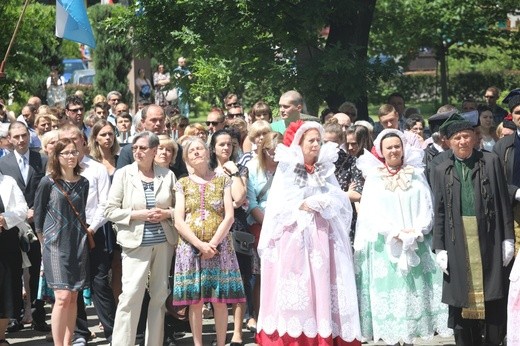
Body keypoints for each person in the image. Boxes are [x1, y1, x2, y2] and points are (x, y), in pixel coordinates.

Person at [256, 120, 361, 345]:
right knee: (300, 285)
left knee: (323, 283)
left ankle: (324, 331)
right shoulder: (289, 168)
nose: (315, 145)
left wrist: (320, 201)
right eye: (311, 140)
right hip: (296, 236)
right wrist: (305, 204)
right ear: (299, 143)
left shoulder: (324, 167)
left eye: (318, 141)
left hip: (322, 234)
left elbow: (338, 199)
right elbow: (280, 205)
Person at [354, 129, 450, 344]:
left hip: (416, 241)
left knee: (413, 294)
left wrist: (418, 229)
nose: (394, 150)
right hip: (386, 244)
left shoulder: (415, 173)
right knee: (392, 293)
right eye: (389, 147)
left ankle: (410, 338)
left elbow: (428, 203)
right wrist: (394, 232)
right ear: (381, 151)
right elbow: (370, 211)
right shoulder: (374, 177)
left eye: (397, 146)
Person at [433, 114, 514, 345]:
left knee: (493, 293)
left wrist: (507, 238)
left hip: (488, 237)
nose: (462, 142)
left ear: (475, 138)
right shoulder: (441, 169)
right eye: (457, 137)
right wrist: (439, 247)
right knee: (461, 298)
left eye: (466, 136)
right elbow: (439, 211)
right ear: (448, 142)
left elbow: (502, 202)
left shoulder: (490, 162)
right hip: (456, 240)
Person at [105, 131, 177, 346]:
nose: (137, 151)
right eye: (135, 148)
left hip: (163, 242)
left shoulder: (168, 174)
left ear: (154, 151)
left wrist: (166, 213)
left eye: (143, 148)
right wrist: (138, 215)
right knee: (130, 296)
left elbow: (179, 210)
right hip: (135, 243)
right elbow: (110, 210)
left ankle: (154, 342)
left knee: (159, 296)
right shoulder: (124, 174)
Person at [171, 136, 245, 346]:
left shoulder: (223, 180)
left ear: (207, 152)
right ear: (186, 158)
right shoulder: (182, 184)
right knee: (195, 301)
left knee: (220, 301)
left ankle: (221, 343)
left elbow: (229, 215)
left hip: (220, 247)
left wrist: (212, 244)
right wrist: (199, 245)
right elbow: (179, 220)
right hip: (190, 247)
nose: (196, 152)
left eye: (199, 149)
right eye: (191, 150)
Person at [33, 138, 90, 346]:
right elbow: (38, 219)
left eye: (74, 152)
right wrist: (43, 245)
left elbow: (82, 214)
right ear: (56, 157)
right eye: (65, 153)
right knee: (62, 297)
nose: (71, 156)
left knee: (74, 297)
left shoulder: (84, 183)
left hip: (78, 244)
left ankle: (68, 342)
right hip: (54, 245)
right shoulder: (47, 182)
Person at [0, 122, 49, 333]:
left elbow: (47, 190)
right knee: (14, 272)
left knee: (37, 270)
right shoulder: (3, 163)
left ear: (29, 136)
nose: (21, 140)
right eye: (16, 137)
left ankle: (38, 315)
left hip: (36, 224)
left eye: (24, 136)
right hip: (12, 226)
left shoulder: (42, 160)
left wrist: (35, 213)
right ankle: (15, 317)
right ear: (9, 139)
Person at [245, 131, 282, 334]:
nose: (274, 156)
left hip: (284, 225)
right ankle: (257, 315)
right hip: (261, 225)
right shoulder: (252, 168)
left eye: (278, 152)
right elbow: (251, 203)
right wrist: (269, 225)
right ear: (263, 150)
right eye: (271, 151)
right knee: (259, 275)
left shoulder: (287, 169)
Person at [0, 172, 28, 346]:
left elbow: (23, 209)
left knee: (6, 289)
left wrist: (4, 218)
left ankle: (1, 337)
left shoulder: (8, 181)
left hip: (6, 241)